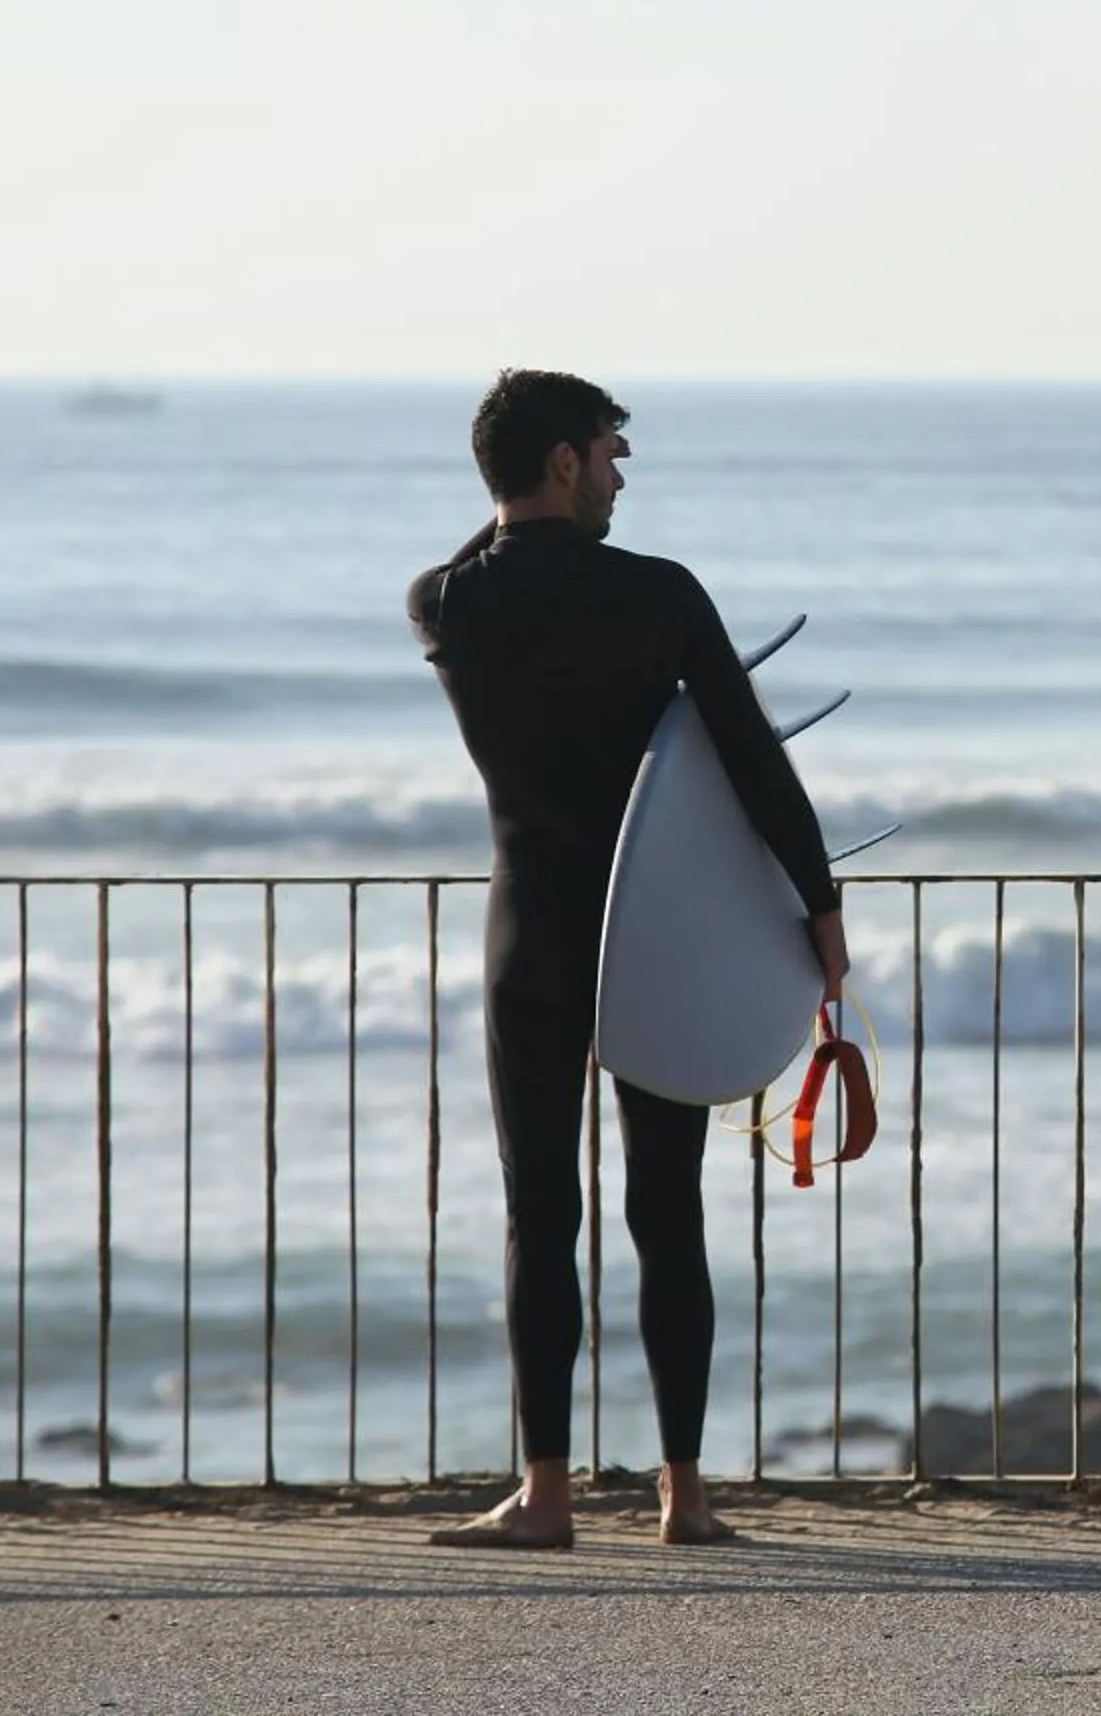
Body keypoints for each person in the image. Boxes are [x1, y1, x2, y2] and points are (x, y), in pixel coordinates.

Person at [406, 368, 849, 1548]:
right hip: (655, 925)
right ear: (562, 460)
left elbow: (480, 550)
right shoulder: (658, 595)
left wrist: (509, 494)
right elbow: (755, 761)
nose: (620, 474)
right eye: (608, 452)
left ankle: (545, 1494)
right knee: (667, 1207)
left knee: (538, 1210)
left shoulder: (448, 600)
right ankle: (685, 1494)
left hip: (532, 930)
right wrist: (819, 904)